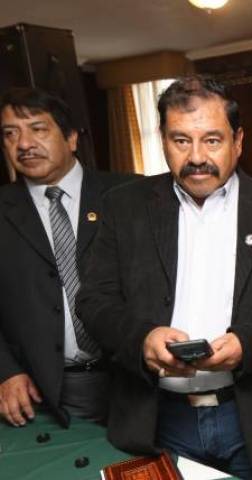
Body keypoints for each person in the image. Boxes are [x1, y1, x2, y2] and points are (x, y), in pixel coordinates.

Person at [77, 76, 252, 480]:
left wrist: (248, 345)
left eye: (212, 140)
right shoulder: (123, 207)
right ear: (163, 140)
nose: (196, 156)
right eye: (181, 140)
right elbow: (94, 300)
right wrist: (142, 339)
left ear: (238, 141)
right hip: (158, 420)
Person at [0, 87, 134, 427]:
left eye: (38, 129)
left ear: (71, 138)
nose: (24, 144)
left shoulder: (133, 196)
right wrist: (5, 372)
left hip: (140, 381)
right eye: (10, 134)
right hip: (45, 392)